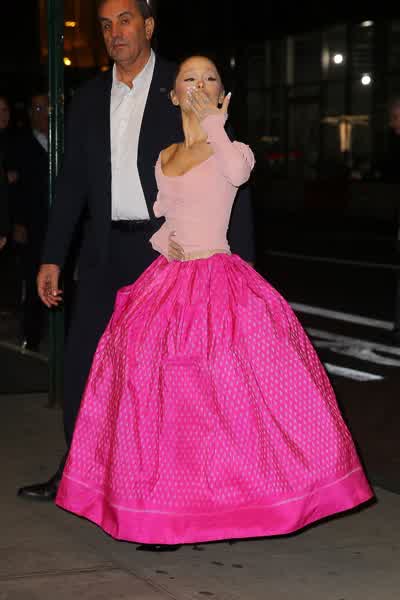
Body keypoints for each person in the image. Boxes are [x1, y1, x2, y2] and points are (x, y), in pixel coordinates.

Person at [55, 55, 373, 549]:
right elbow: (164, 215)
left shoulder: (231, 148)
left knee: (227, 403)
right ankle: (161, 514)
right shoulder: (164, 157)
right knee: (160, 400)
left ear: (222, 94)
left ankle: (236, 504)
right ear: (173, 94)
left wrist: (216, 126)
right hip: (167, 285)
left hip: (220, 279)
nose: (200, 85)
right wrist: (163, 242)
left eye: (210, 79)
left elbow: (238, 174)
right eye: (190, 79)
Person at [17, 0, 254, 501]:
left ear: (147, 26)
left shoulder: (182, 82)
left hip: (166, 259)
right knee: (84, 363)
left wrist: (244, 271)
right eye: (105, 25)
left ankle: (160, 486)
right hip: (102, 252)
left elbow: (233, 182)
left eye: (124, 21)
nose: (114, 33)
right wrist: (53, 255)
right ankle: (77, 473)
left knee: (159, 381)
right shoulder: (88, 98)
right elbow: (73, 184)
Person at [13, 93, 49, 351]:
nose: (42, 113)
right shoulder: (22, 144)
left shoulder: (60, 140)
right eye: (37, 108)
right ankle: (31, 333)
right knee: (32, 275)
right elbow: (16, 189)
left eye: (45, 108)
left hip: (55, 221)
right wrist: (18, 222)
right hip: (32, 223)